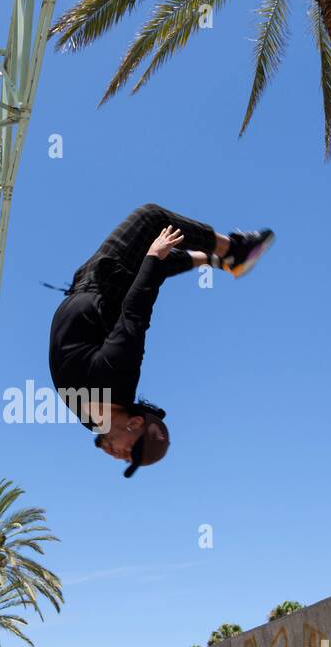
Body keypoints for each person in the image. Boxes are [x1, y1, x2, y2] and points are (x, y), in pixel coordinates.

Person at [47, 203, 273, 477]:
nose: (120, 457)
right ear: (134, 423)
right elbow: (135, 314)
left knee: (157, 263)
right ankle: (233, 251)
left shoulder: (91, 421)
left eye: (127, 460)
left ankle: (212, 259)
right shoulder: (118, 375)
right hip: (107, 281)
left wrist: (156, 263)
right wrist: (154, 257)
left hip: (88, 283)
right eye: (131, 452)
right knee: (153, 219)